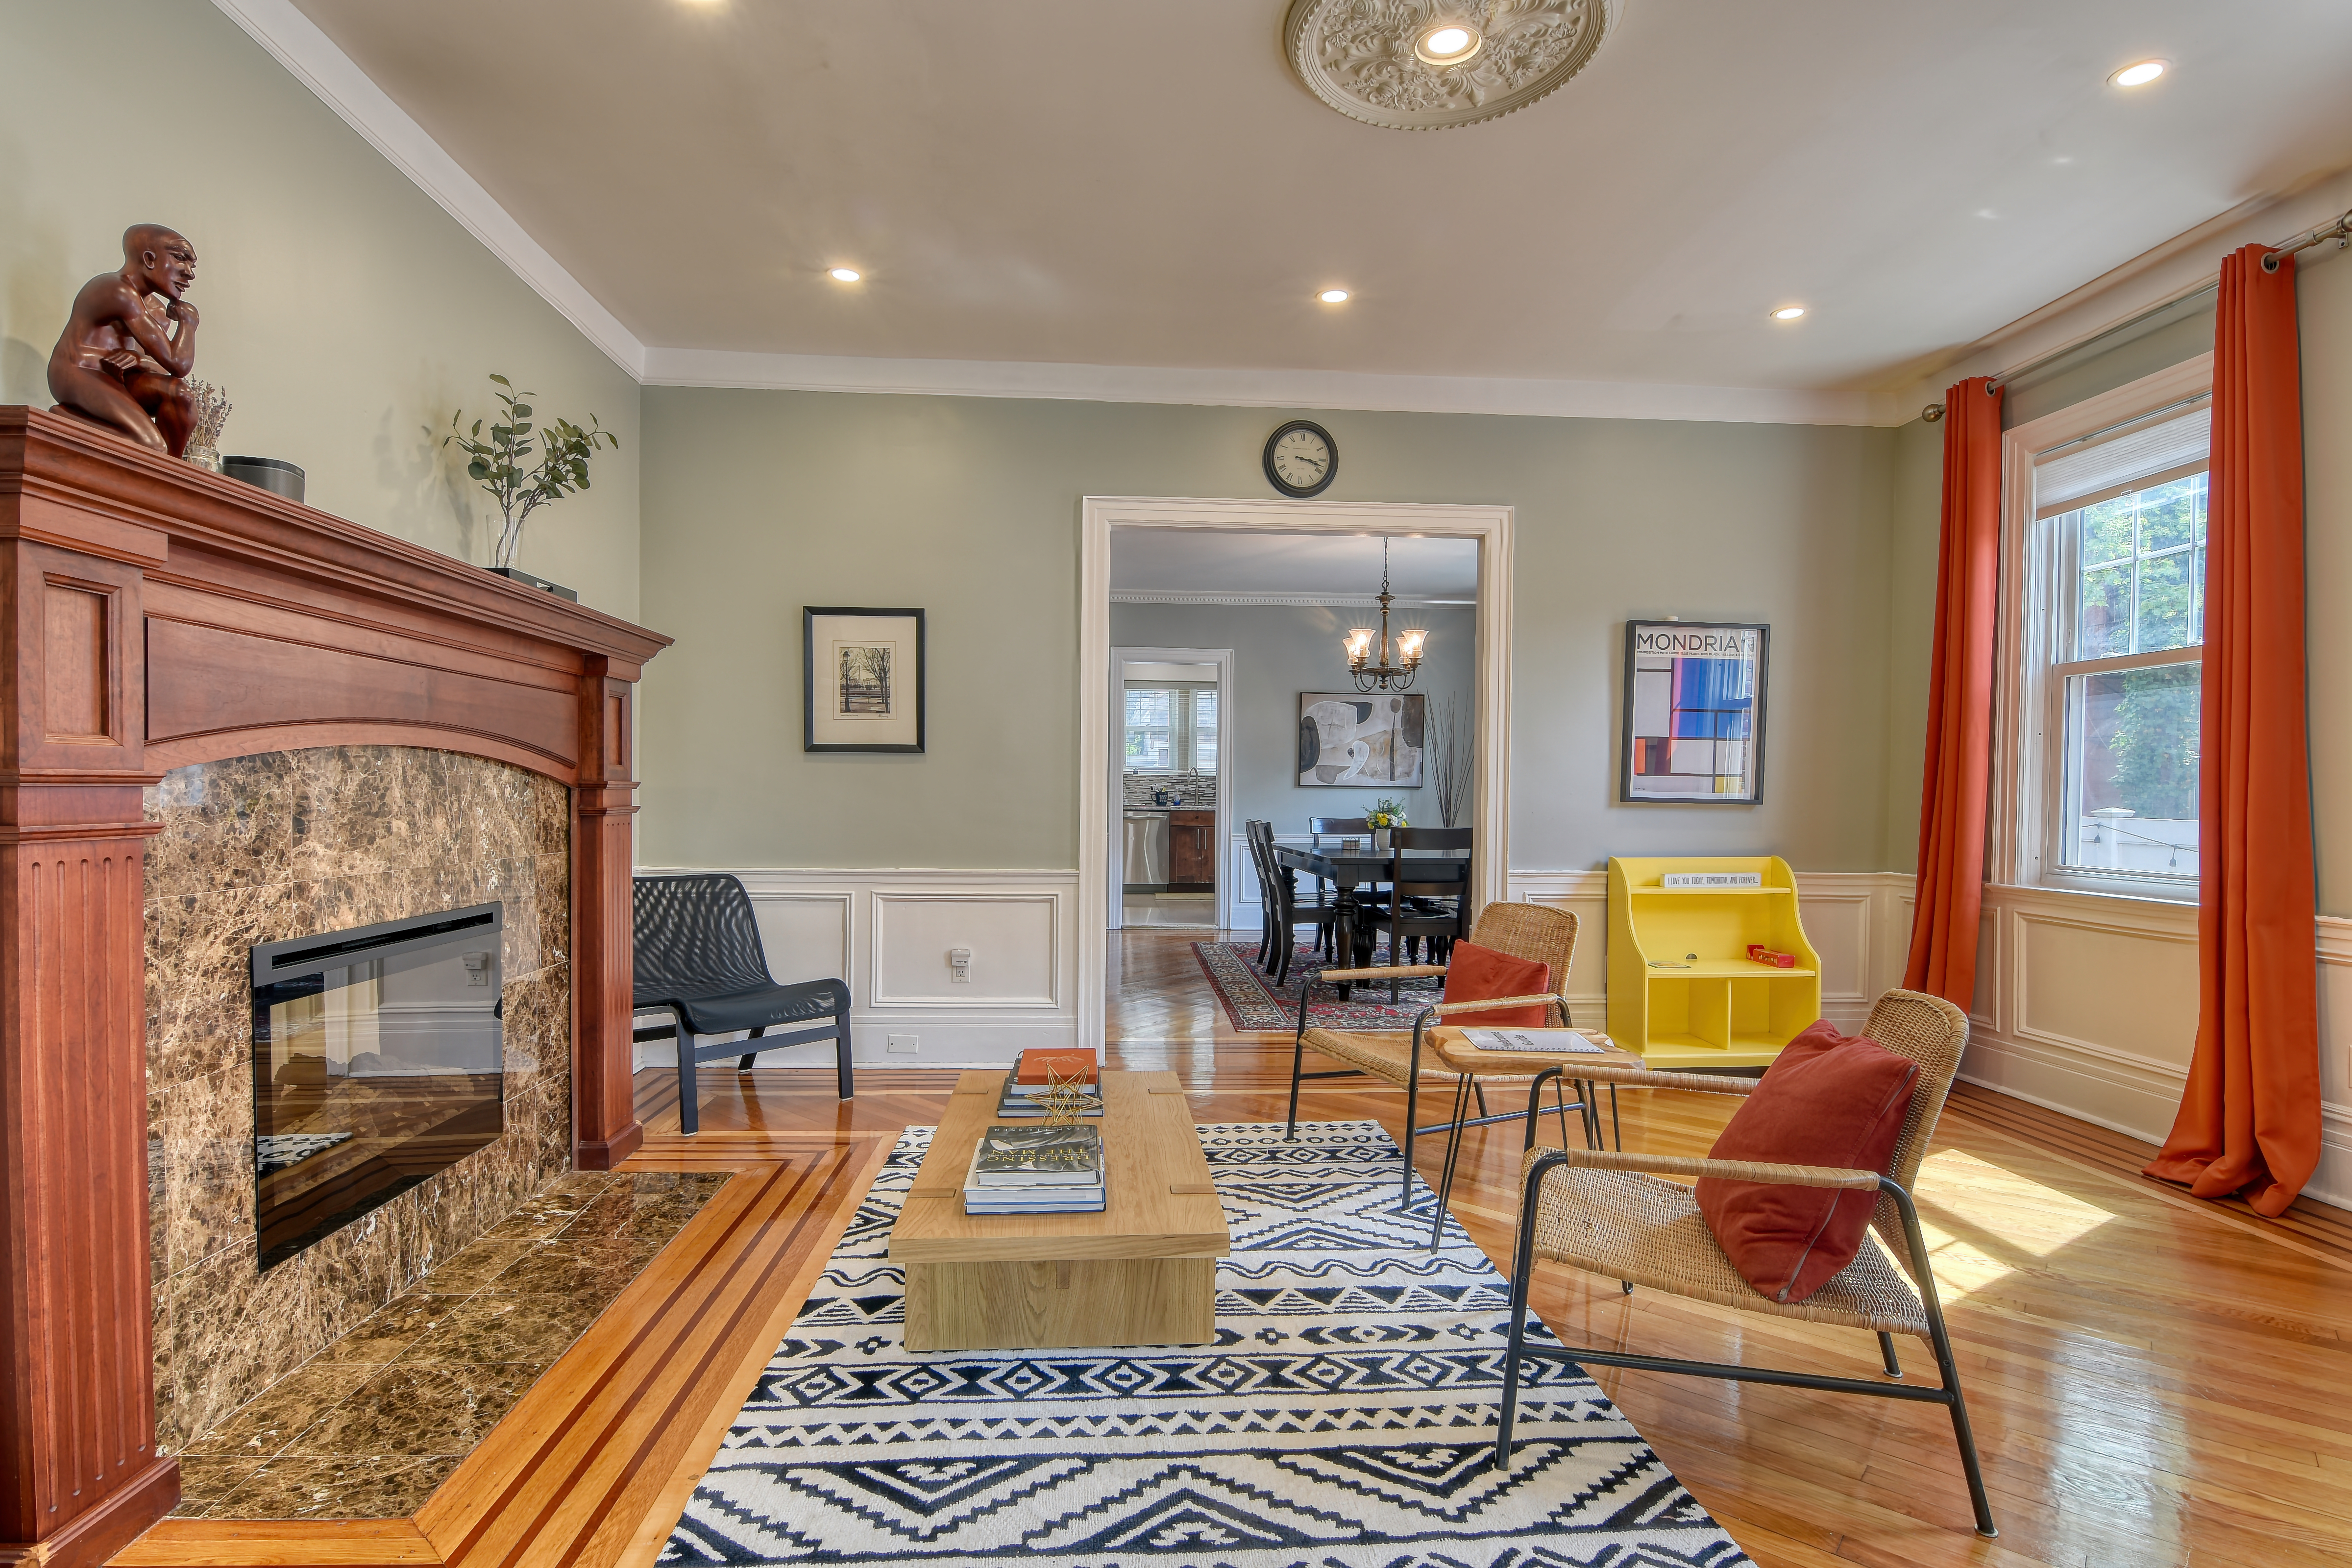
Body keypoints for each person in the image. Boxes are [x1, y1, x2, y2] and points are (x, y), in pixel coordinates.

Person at [47, 224, 200, 454]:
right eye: (180, 259)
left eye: (192, 265)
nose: (189, 273)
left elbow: (160, 367)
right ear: (149, 259)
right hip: (78, 370)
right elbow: (178, 364)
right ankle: (68, 419)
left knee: (182, 396)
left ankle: (171, 474)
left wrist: (139, 359)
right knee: (152, 446)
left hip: (118, 378)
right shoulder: (118, 291)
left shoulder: (156, 311)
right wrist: (189, 323)